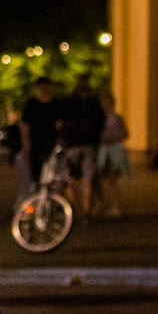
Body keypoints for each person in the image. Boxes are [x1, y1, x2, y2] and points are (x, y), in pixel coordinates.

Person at [58, 80, 105, 220]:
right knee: (86, 179)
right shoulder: (93, 103)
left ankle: (78, 210)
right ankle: (85, 211)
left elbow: (61, 122)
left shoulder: (70, 102)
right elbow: (101, 122)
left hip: (74, 145)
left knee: (73, 179)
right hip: (86, 145)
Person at [95, 91, 131, 219]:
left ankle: (115, 207)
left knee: (112, 178)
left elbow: (125, 133)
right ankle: (103, 203)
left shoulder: (117, 118)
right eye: (104, 104)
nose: (106, 106)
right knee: (99, 177)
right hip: (102, 149)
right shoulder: (98, 119)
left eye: (108, 103)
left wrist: (115, 138)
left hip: (114, 149)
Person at [19, 77, 60, 184]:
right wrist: (25, 142)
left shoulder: (55, 103)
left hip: (52, 142)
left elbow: (59, 123)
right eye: (42, 86)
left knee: (53, 172)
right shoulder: (31, 104)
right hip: (36, 142)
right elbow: (25, 125)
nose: (44, 88)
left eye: (46, 86)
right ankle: (37, 190)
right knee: (36, 173)